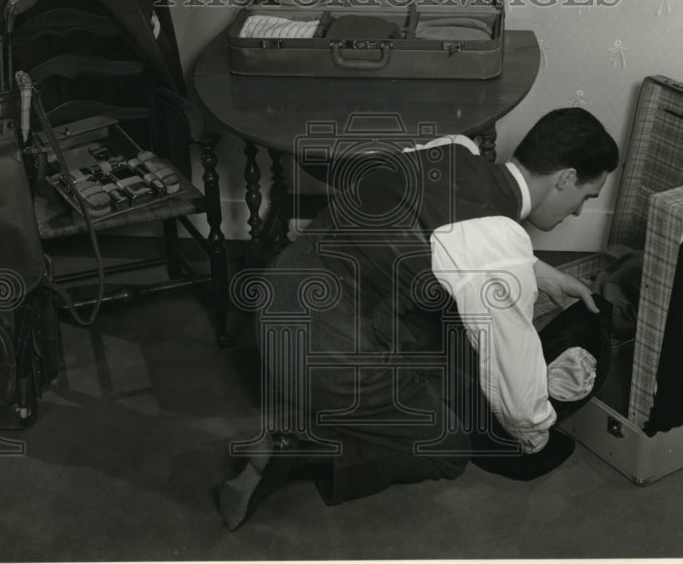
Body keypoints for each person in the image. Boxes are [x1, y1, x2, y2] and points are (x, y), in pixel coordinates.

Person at [219, 107, 620, 530]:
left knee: (444, 335)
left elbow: (454, 233)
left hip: (275, 302)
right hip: (319, 352)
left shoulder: (452, 150)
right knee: (445, 448)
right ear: (565, 178)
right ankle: (298, 447)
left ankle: (354, 403)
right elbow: (515, 388)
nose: (577, 213)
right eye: (586, 198)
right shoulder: (496, 247)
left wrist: (540, 270)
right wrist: (538, 435)